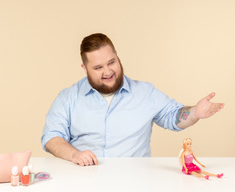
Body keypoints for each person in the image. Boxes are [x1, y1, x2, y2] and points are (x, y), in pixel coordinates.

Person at [41, 33, 224, 166]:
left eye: (112, 62)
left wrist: (195, 113)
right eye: (98, 67)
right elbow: (51, 137)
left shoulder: (145, 92)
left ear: (118, 57)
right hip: (82, 179)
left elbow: (173, 117)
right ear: (85, 68)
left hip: (136, 182)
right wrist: (75, 155)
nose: (108, 72)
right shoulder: (68, 97)